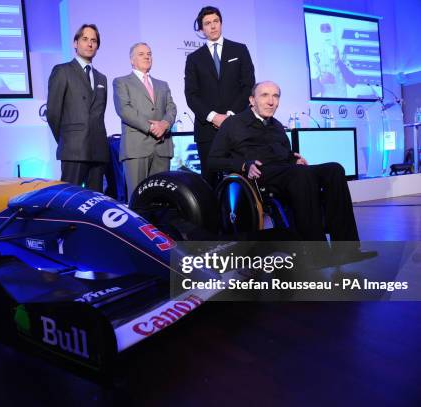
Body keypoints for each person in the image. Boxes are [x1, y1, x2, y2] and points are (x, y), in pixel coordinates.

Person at [208, 81, 364, 246]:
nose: (271, 101)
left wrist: (294, 159)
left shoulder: (276, 126)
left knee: (335, 169)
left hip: (287, 172)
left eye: (275, 96)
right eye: (265, 95)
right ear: (252, 100)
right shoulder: (233, 124)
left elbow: (284, 154)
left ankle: (347, 247)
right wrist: (244, 165)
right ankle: (317, 250)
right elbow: (213, 160)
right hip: (260, 176)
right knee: (301, 174)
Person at [184, 6, 255, 187]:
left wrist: (230, 115)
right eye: (207, 23)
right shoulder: (194, 58)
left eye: (216, 21)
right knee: (209, 183)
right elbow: (191, 94)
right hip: (207, 130)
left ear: (221, 23)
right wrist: (213, 117)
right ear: (201, 29)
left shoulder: (239, 50)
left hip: (237, 126)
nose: (213, 26)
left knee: (241, 180)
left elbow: (248, 85)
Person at [46, 24, 109, 192]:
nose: (89, 44)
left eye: (94, 41)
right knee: (68, 202)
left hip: (98, 151)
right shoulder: (62, 71)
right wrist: (66, 140)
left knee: (95, 205)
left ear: (97, 46)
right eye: (85, 39)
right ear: (75, 43)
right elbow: (53, 113)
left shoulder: (102, 78)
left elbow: (99, 115)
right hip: (73, 149)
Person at [113, 42, 177, 201]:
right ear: (131, 60)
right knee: (138, 199)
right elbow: (124, 110)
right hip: (136, 148)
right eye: (141, 54)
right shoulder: (121, 82)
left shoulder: (163, 85)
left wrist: (164, 124)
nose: (147, 56)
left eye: (149, 53)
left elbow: (172, 108)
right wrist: (152, 127)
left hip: (162, 148)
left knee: (161, 199)